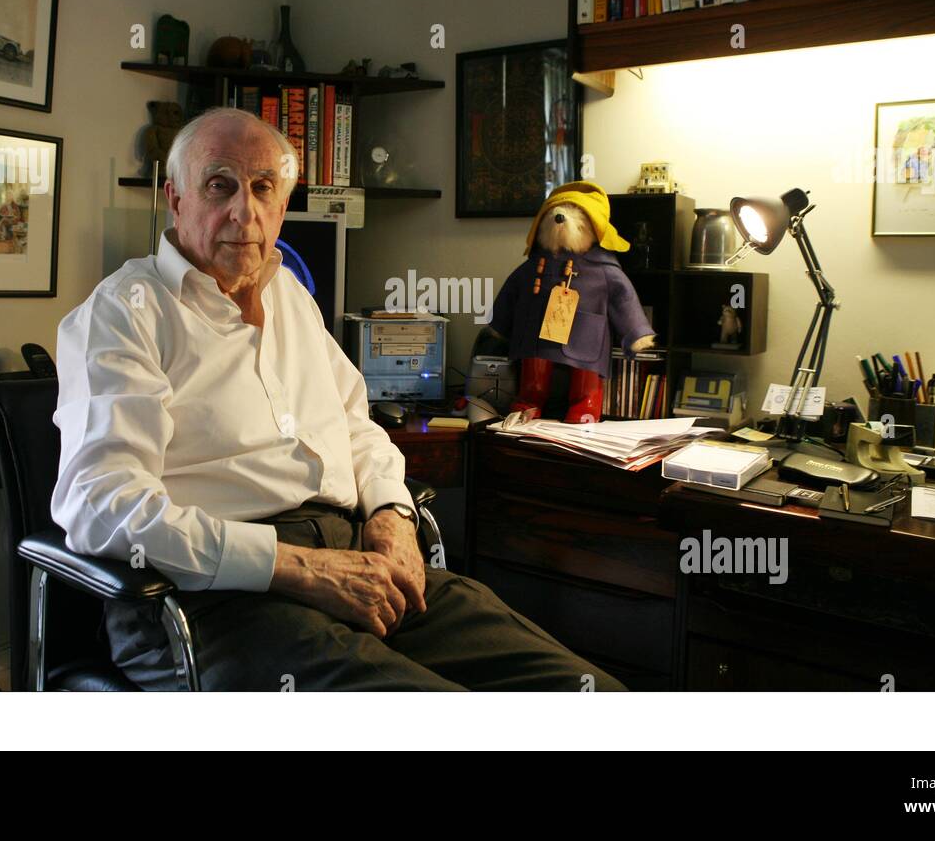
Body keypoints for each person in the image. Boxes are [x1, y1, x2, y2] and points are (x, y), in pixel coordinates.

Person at [50, 107, 626, 691]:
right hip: (210, 602)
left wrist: (393, 515)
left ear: (282, 205)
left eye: (262, 188)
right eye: (219, 185)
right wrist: (295, 567)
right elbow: (101, 503)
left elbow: (355, 425)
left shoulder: (291, 297)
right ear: (175, 199)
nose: (243, 211)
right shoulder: (126, 313)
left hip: (357, 562)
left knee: (586, 692)